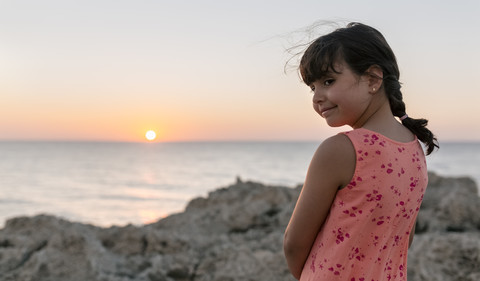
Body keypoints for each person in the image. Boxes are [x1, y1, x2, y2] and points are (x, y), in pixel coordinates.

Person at [283, 22, 438, 281]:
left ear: (373, 79)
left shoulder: (340, 150)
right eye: (313, 87)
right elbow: (402, 238)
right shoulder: (414, 148)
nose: (317, 97)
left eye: (328, 81)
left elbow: (293, 243)